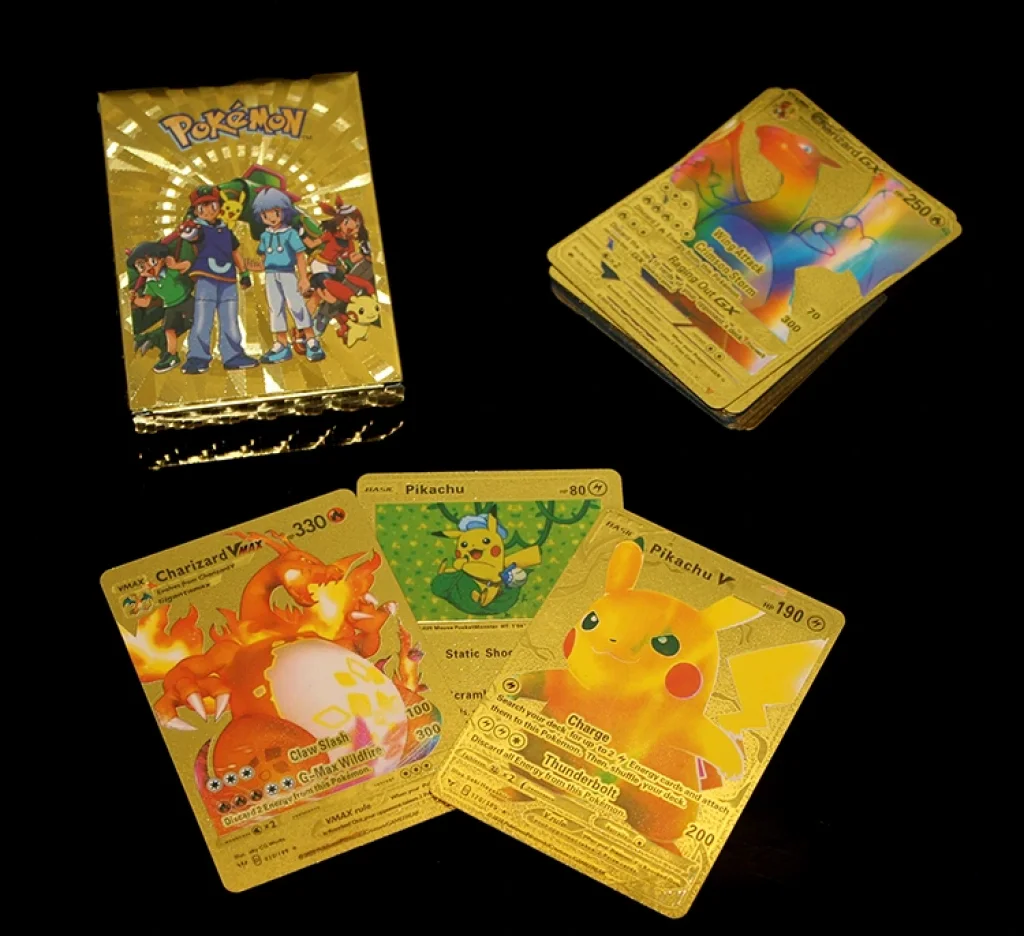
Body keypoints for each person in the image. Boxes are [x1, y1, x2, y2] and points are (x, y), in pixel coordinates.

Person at [176, 185, 259, 374]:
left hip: (228, 279)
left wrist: (244, 273)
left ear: (219, 206)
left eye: (212, 206)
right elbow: (191, 236)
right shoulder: (198, 229)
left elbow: (235, 252)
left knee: (230, 318)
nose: (207, 211)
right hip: (206, 278)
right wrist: (187, 229)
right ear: (196, 210)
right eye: (201, 207)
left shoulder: (226, 230)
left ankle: (232, 355)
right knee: (203, 317)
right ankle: (198, 357)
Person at [250, 187, 324, 363]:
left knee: (297, 306)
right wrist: (257, 266)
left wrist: (304, 278)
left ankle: (311, 340)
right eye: (265, 215)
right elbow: (264, 257)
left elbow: (300, 255)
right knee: (275, 308)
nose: (271, 218)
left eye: (275, 212)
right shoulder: (265, 235)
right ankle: (281, 344)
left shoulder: (291, 233)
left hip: (288, 274)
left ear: (284, 211)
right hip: (270, 275)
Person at [126, 241, 193, 373]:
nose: (148, 268)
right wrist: (135, 300)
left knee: (194, 320)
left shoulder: (170, 272)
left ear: (161, 259)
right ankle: (172, 355)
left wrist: (175, 265)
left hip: (186, 300)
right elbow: (146, 302)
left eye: (152, 261)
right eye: (141, 266)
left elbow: (187, 265)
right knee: (168, 329)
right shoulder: (150, 284)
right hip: (170, 307)